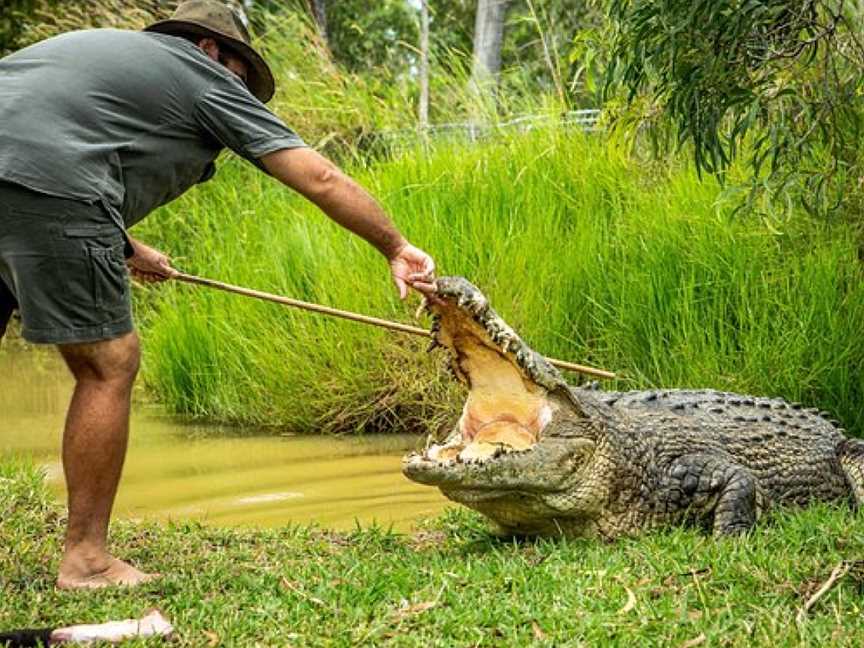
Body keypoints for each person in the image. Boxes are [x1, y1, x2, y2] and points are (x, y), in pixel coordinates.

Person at [0, 0, 436, 589]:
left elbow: (47, 134)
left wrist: (126, 249)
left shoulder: (100, 54)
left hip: (32, 179)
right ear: (210, 49)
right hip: (48, 187)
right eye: (240, 74)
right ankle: (87, 561)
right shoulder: (199, 72)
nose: (241, 91)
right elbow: (320, 177)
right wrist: (396, 246)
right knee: (108, 364)